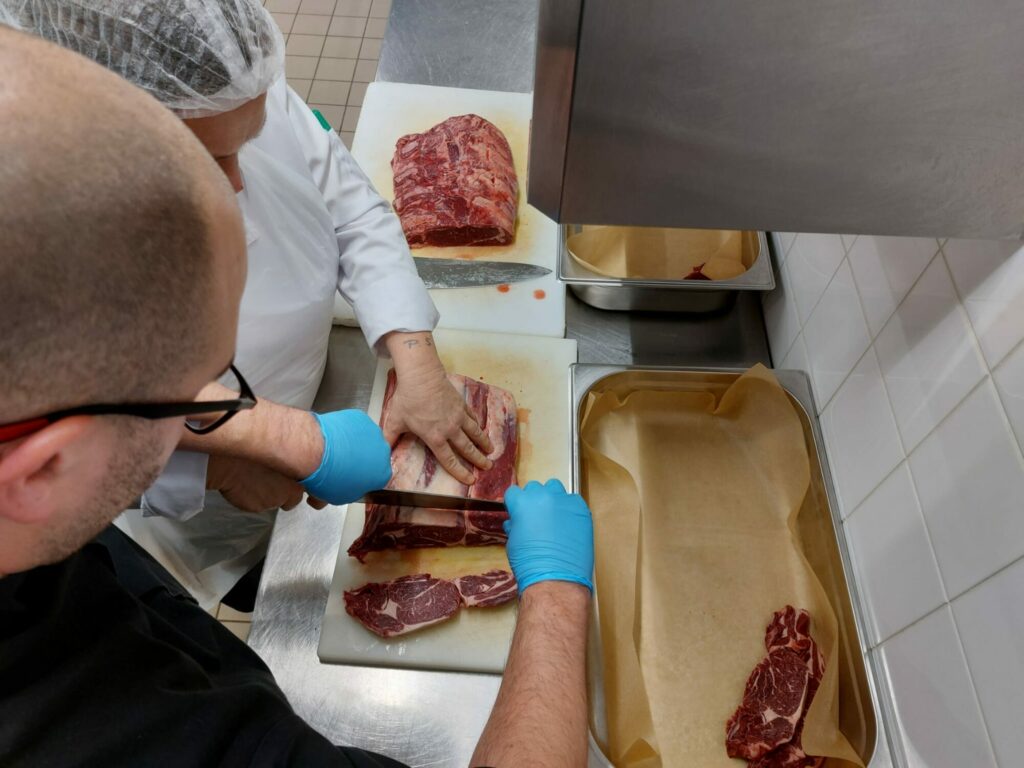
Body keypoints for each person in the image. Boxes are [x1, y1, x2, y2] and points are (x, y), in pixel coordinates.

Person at [0, 27, 594, 768]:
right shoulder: (122, 732)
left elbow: (346, 200)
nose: (241, 181)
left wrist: (263, 438)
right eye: (212, 391)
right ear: (41, 466)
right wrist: (560, 596)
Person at [0, 0, 496, 610]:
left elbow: (354, 211)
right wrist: (225, 467)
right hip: (183, 508)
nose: (237, 183)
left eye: (248, 143)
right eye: (207, 161)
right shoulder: (33, 230)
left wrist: (414, 359)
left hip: (303, 425)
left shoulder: (215, 81)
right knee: (248, 596)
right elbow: (69, 422)